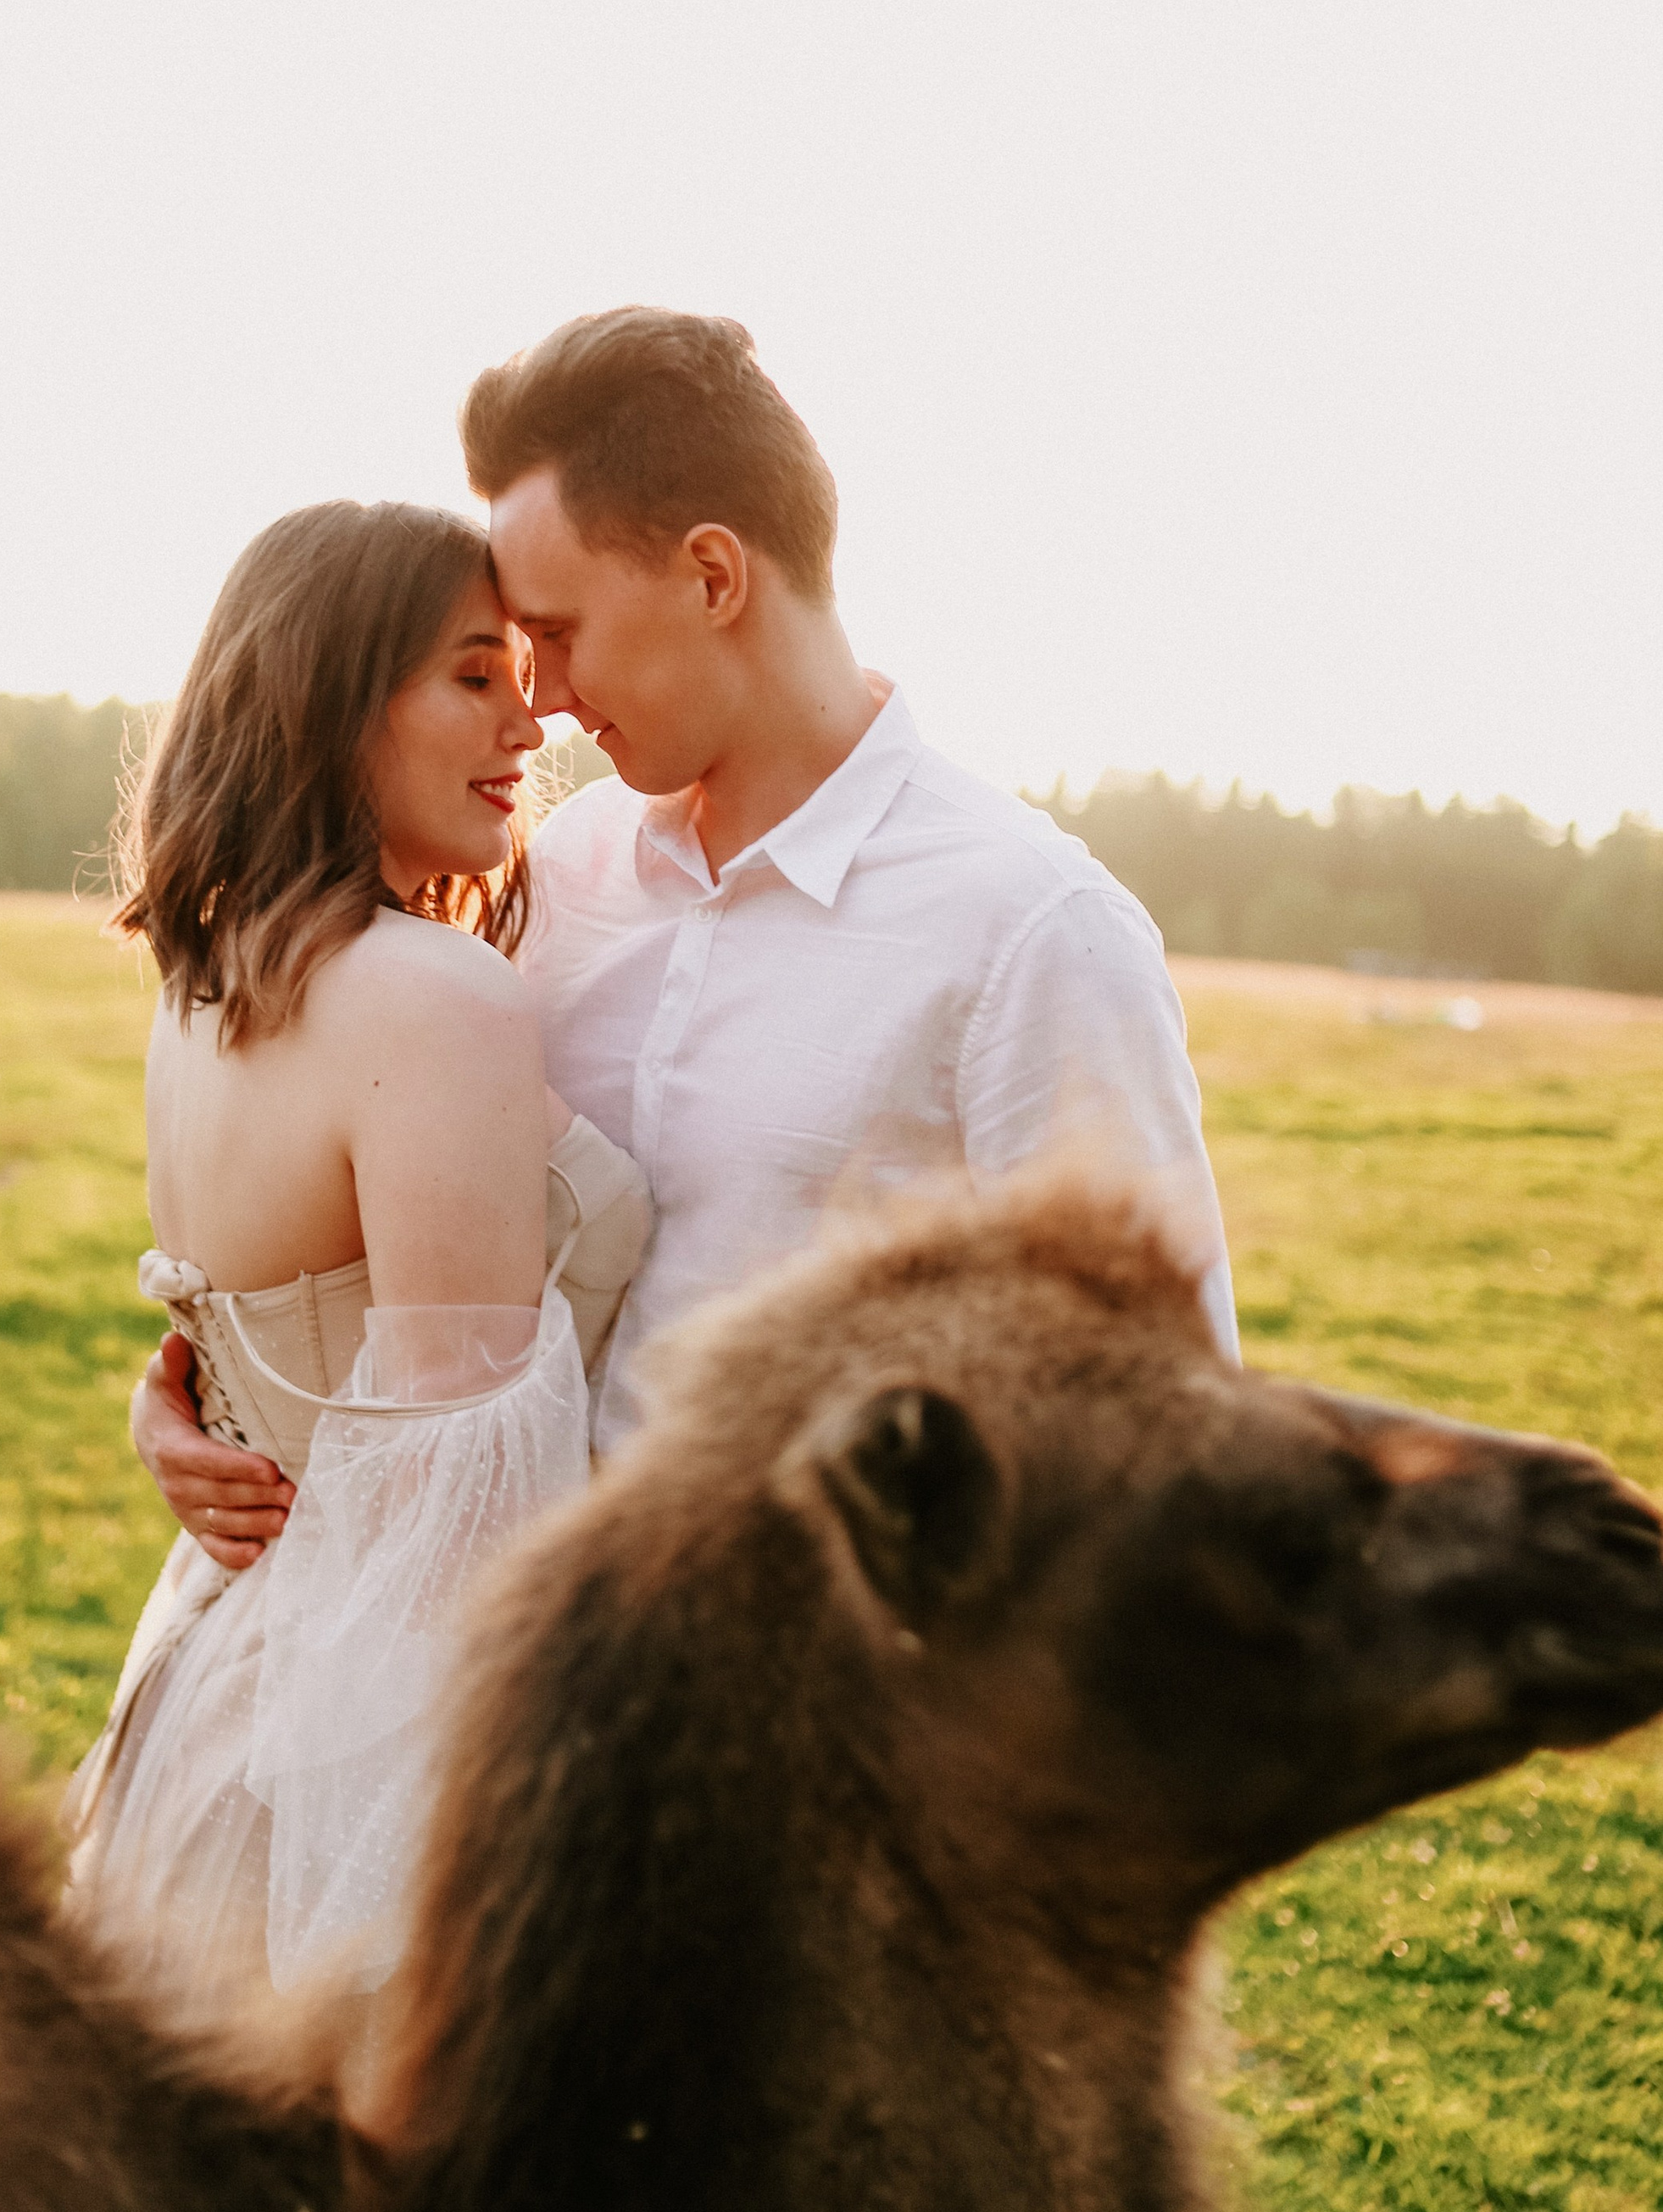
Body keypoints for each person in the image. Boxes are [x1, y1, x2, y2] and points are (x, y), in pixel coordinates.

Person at [133, 305, 1236, 1566]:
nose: (541, 699)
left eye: (556, 635)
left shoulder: (1034, 934)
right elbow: (398, 1249)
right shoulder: (559, 870)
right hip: (484, 1645)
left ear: (713, 577)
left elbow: (1165, 1419)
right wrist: (202, 1404)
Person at [63, 499, 650, 2014]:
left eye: (525, 674)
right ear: (329, 700)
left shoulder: (207, 986)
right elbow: (457, 1504)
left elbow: (239, 1337)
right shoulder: (431, 998)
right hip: (358, 1749)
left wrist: (170, 1415)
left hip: (221, 1687)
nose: (532, 725)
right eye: (474, 676)